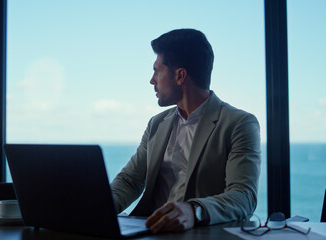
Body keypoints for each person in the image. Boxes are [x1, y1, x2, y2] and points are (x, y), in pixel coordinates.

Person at [110, 28, 261, 234]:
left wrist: (194, 210)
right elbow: (130, 180)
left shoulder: (239, 123)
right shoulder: (157, 123)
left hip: (199, 234)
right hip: (148, 231)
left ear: (180, 75)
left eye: (157, 70)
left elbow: (244, 196)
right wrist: (98, 207)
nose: (152, 80)